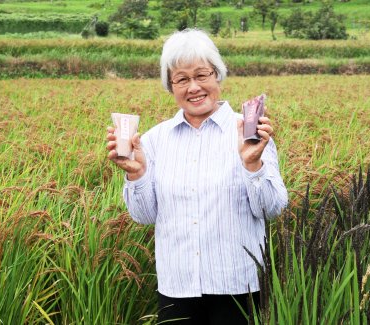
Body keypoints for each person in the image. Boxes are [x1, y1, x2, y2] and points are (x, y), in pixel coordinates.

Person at [106, 28, 288, 324]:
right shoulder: (154, 140)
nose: (193, 87)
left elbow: (272, 209)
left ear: (218, 75)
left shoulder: (248, 134)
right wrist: (137, 174)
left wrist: (253, 165)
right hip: (177, 287)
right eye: (181, 79)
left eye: (202, 75)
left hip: (236, 286)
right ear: (171, 86)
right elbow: (145, 216)